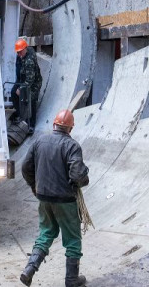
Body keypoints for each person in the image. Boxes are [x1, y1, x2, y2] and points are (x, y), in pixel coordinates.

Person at [20, 109, 89, 287]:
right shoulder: (72, 146)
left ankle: (29, 269)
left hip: (44, 197)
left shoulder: (39, 141)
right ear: (70, 129)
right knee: (72, 239)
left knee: (46, 232)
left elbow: (26, 167)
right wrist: (84, 179)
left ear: (54, 124)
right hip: (65, 200)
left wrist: (35, 187)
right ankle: (72, 280)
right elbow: (78, 176)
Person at [15, 38, 42, 132]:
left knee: (31, 101)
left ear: (25, 49)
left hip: (34, 84)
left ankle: (31, 125)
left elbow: (30, 80)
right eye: (17, 53)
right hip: (26, 81)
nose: (19, 54)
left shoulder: (29, 61)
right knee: (18, 97)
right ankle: (23, 118)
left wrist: (21, 88)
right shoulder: (26, 53)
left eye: (20, 52)